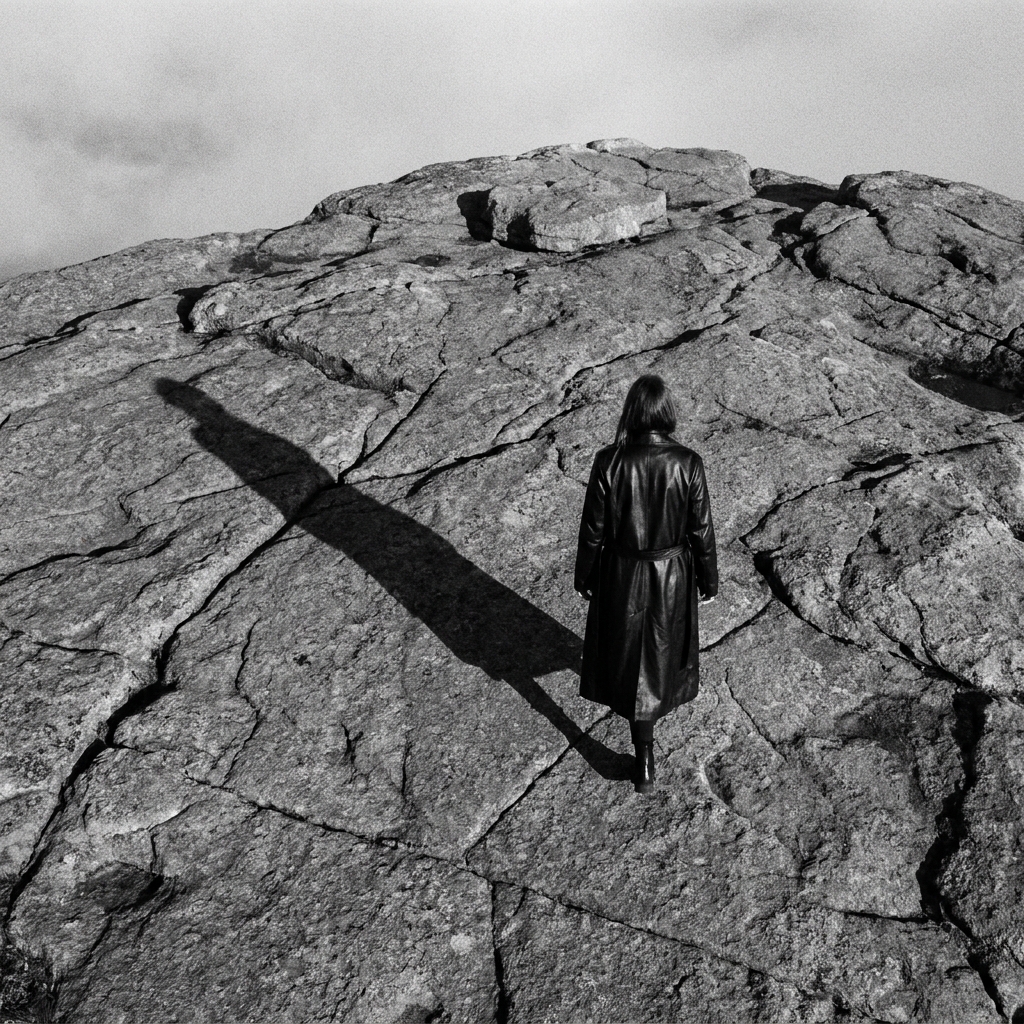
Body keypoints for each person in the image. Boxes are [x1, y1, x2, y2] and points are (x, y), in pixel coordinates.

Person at [574, 374, 718, 793]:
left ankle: (644, 756)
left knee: (628, 654)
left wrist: (584, 576)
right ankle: (646, 757)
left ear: (631, 412)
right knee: (658, 656)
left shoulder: (609, 460)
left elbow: (592, 531)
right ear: (666, 413)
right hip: (671, 575)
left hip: (621, 574)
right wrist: (708, 580)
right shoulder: (687, 461)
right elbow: (701, 530)